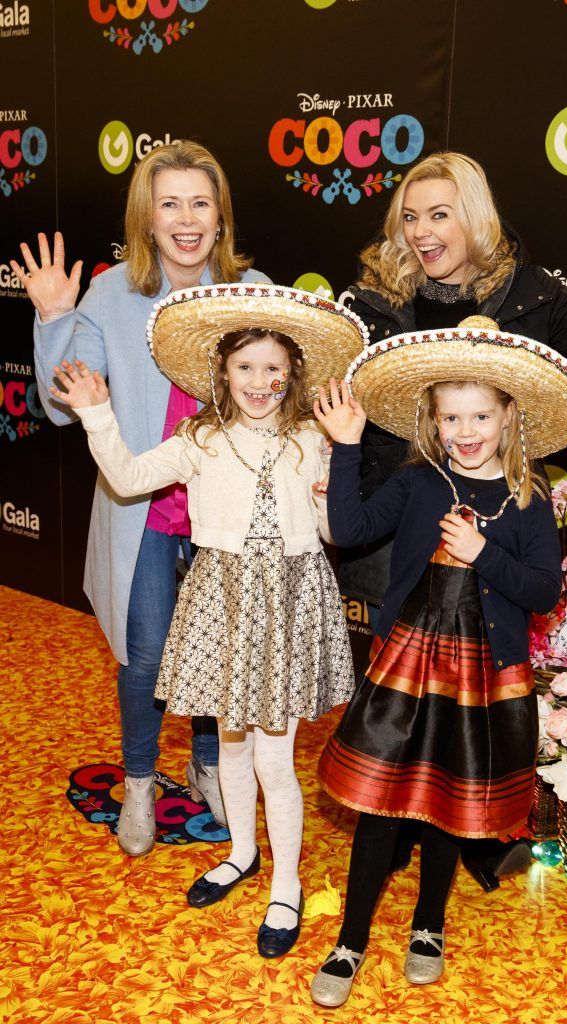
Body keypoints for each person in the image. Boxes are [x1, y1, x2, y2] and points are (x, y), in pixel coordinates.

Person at [336, 150, 567, 889]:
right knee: (400, 695)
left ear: (475, 215)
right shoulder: (372, 302)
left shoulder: (527, 297)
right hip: (395, 534)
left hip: (490, 534)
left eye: (440, 214)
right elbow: (328, 398)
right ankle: (396, 817)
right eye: (409, 216)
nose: (423, 232)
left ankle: (460, 825)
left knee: (470, 700)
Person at [48, 283, 366, 958]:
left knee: (276, 761)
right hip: (219, 602)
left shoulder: (312, 439)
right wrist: (98, 416)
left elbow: (338, 532)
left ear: (293, 373)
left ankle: (284, 885)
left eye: (273, 367)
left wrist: (339, 463)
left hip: (285, 602)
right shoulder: (198, 437)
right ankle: (242, 853)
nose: (260, 381)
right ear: (222, 372)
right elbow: (130, 477)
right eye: (245, 366)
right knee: (229, 745)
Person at [309, 319, 567, 1006]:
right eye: (449, 416)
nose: (464, 431)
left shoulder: (528, 502)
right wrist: (345, 448)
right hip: (406, 667)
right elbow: (348, 532)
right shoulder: (417, 483)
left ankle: (428, 925)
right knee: (380, 808)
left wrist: (483, 554)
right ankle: (351, 937)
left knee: (447, 807)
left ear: (507, 415)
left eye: (479, 415)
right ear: (431, 420)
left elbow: (541, 590)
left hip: (480, 678)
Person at [10, 141, 272, 856]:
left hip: (227, 514)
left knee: (220, 653)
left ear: (220, 217)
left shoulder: (254, 291)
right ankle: (137, 782)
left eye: (199, 202)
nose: (185, 219)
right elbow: (66, 408)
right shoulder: (111, 292)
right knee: (147, 654)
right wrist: (57, 320)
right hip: (143, 509)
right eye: (169, 204)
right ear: (146, 220)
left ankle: (209, 764)